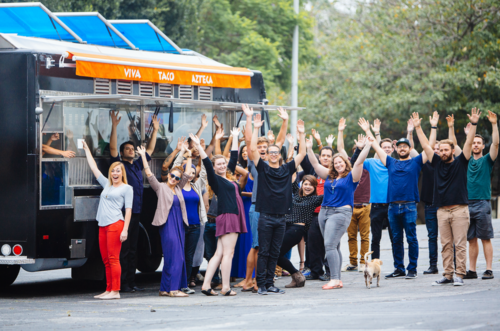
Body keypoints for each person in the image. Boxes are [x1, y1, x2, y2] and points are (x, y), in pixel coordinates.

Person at [413, 109, 480, 286]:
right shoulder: (436, 163)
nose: (442, 152)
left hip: (459, 210)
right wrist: (419, 128)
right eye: (440, 150)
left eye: (445, 149)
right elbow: (426, 146)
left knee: (459, 244)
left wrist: (474, 124)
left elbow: (468, 142)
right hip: (441, 210)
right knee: (445, 245)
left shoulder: (461, 161)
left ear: (452, 150)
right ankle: (447, 274)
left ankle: (459, 275)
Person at [248, 111, 307, 295]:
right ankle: (261, 285)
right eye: (270, 152)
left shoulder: (287, 168)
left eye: (275, 152)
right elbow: (251, 150)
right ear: (266, 154)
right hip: (265, 217)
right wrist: (256, 129)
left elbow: (303, 153)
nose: (272, 154)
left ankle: (270, 283)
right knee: (264, 251)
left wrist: (301, 134)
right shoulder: (263, 168)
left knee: (274, 252)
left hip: (281, 218)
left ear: (279, 154)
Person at [307, 135, 372, 290]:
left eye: (340, 162)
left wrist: (366, 146)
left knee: (329, 245)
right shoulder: (329, 177)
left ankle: (334, 279)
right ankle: (338, 279)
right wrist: (309, 148)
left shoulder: (352, 177)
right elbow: (315, 164)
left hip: (341, 212)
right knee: (333, 246)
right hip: (324, 212)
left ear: (345, 163)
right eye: (335, 163)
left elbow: (359, 161)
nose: (337, 164)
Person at [191, 128, 248, 296]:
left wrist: (236, 137)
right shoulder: (215, 180)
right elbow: (207, 163)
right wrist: (199, 147)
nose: (223, 166)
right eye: (219, 164)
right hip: (229, 216)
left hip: (228, 216)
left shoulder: (228, 177)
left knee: (219, 253)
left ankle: (206, 285)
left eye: (224, 163)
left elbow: (234, 156)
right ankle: (225, 287)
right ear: (215, 168)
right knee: (228, 254)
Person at [109, 110, 159, 293]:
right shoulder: (119, 166)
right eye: (128, 149)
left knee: (132, 249)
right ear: (122, 153)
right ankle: (121, 283)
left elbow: (150, 150)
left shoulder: (137, 165)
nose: (132, 151)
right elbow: (113, 148)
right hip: (122, 214)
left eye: (133, 149)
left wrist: (155, 130)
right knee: (123, 250)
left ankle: (130, 282)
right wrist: (114, 126)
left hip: (136, 213)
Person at [240, 104, 288, 292]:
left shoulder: (273, 164)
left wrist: (285, 121)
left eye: (264, 147)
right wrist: (251, 120)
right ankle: (249, 280)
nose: (261, 149)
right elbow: (248, 140)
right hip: (258, 209)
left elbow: (281, 140)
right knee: (257, 247)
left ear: (269, 151)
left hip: (273, 211)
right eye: (259, 147)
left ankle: (262, 281)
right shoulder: (255, 164)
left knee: (265, 249)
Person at [370, 119, 426, 279]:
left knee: (411, 238)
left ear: (410, 148)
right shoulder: (391, 162)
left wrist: (418, 128)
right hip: (392, 207)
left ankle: (412, 269)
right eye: (400, 146)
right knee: (396, 239)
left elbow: (428, 147)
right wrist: (370, 131)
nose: (402, 149)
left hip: (409, 206)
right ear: (396, 148)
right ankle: (399, 268)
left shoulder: (416, 162)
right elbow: (375, 146)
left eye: (405, 146)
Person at [82, 141, 132, 300]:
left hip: (116, 224)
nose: (115, 174)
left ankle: (115, 291)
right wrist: (86, 149)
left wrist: (125, 230)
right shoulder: (107, 185)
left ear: (122, 173)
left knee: (113, 258)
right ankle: (109, 289)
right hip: (102, 225)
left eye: (118, 171)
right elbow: (94, 168)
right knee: (105, 259)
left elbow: (129, 210)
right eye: (113, 171)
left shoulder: (126, 188)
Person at [139, 145, 191, 297]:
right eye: (172, 176)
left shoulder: (179, 188)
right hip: (167, 224)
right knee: (176, 256)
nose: (174, 179)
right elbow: (149, 173)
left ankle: (164, 289)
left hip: (179, 225)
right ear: (168, 175)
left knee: (172, 257)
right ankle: (174, 289)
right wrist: (143, 155)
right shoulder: (160, 187)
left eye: (177, 178)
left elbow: (187, 173)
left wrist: (188, 155)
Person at [464, 110, 498, 280]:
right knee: (471, 239)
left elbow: (496, 144)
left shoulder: (487, 160)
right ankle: (472, 270)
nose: (476, 145)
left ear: (483, 146)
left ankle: (489, 269)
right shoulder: (466, 160)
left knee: (485, 238)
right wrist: (468, 135)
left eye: (479, 143)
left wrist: (494, 124)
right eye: (474, 143)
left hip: (482, 203)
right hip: (466, 204)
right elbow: (456, 146)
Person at [173, 140, 209, 293]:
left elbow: (205, 171)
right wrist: (183, 153)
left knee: (189, 256)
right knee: (179, 255)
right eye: (189, 172)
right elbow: (176, 167)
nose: (191, 174)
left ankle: (185, 284)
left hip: (195, 226)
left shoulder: (197, 186)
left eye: (193, 173)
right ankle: (176, 282)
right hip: (181, 224)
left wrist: (201, 150)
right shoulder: (177, 186)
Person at [357, 119, 394, 265]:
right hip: (377, 206)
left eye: (388, 147)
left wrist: (376, 132)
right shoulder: (372, 163)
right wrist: (369, 133)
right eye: (383, 147)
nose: (385, 149)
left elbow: (381, 150)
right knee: (375, 238)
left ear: (393, 149)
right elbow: (359, 160)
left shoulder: (395, 164)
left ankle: (399, 266)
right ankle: (374, 264)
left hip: (392, 206)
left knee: (395, 237)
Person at [278, 174, 323, 288]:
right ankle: (297, 277)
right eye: (306, 184)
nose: (308, 187)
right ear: (302, 185)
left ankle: (297, 275)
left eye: (311, 185)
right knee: (275, 254)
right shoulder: (295, 196)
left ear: (315, 187)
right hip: (285, 227)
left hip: (297, 230)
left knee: (275, 253)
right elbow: (292, 176)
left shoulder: (315, 199)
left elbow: (332, 192)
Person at [299, 139, 335, 281]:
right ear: (319, 157)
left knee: (330, 244)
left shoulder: (335, 172)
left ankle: (330, 271)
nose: (325, 157)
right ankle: (315, 271)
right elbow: (305, 160)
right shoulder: (313, 170)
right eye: (323, 155)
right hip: (314, 213)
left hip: (330, 213)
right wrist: (307, 146)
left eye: (328, 155)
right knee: (313, 243)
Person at [338, 128, 371, 273]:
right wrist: (340, 131)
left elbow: (378, 151)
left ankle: (364, 262)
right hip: (350, 206)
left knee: (365, 236)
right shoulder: (349, 167)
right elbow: (340, 149)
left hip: (365, 206)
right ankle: (353, 262)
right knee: (351, 236)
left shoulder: (370, 165)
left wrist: (370, 132)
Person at [232, 144, 254, 283]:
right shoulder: (239, 169)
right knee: (239, 241)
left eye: (248, 151)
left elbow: (257, 193)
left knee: (248, 240)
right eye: (243, 151)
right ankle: (237, 273)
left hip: (249, 205)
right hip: (239, 207)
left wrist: (240, 193)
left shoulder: (255, 170)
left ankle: (249, 276)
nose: (246, 153)